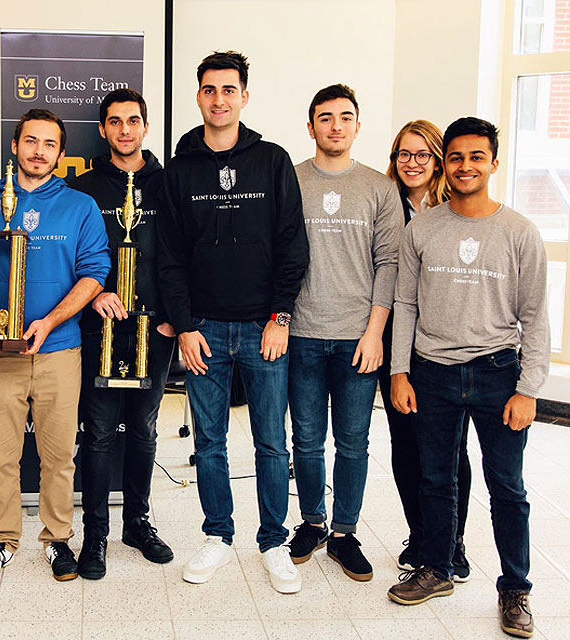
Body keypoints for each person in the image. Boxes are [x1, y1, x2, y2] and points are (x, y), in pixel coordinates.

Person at [387, 118, 548, 640]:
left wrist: (529, 389)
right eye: (456, 157)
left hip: (498, 372)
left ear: (493, 164)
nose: (465, 166)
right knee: (435, 478)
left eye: (476, 157)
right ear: (445, 163)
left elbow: (536, 317)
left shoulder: (518, 231)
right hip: (431, 371)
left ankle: (515, 588)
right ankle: (436, 568)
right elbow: (405, 304)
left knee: (508, 488)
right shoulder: (422, 228)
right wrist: (400, 371)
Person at [157, 51, 310, 591]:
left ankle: (273, 541)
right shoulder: (180, 171)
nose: (219, 99)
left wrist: (280, 316)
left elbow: (293, 245)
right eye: (209, 90)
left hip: (264, 328)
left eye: (229, 89)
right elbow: (169, 256)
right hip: (204, 330)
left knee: (272, 441)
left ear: (244, 96)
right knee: (211, 443)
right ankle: (218, 535)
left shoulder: (271, 160)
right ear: (198, 96)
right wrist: (185, 325)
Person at [0, 109, 110, 584]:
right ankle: (3, 539)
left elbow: (94, 273)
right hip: (0, 352)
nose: (38, 151)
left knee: (58, 456)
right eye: (30, 141)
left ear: (60, 153)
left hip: (59, 350)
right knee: (1, 456)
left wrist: (50, 321)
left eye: (49, 144)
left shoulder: (80, 206)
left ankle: (56, 540)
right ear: (14, 146)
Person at [286, 84, 402, 582]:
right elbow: (276, 258)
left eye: (345, 117)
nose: (336, 126)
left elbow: (389, 263)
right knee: (306, 441)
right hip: (302, 335)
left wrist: (376, 332)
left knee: (353, 442)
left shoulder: (380, 188)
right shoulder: (288, 181)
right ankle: (312, 522)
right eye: (326, 118)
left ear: (358, 125)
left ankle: (344, 532)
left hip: (359, 337)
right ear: (310, 127)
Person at [67, 88, 175, 580]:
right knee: (100, 433)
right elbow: (68, 256)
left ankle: (138, 522)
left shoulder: (168, 183)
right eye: (115, 122)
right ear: (104, 130)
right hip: (99, 329)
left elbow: (183, 254)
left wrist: (177, 315)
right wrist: (92, 297)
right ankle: (95, 534)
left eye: (133, 121)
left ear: (145, 127)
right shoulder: (83, 189)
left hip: (156, 330)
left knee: (146, 429)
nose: (125, 130)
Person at [382, 120, 472, 580]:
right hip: (395, 336)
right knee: (406, 444)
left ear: (437, 160)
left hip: (441, 341)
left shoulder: (455, 208)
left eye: (422, 155)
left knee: (449, 450)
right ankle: (421, 533)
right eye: (404, 154)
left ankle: (450, 541)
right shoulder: (385, 202)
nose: (412, 163)